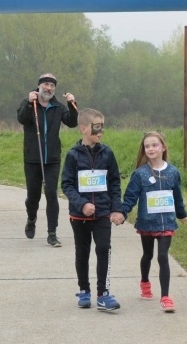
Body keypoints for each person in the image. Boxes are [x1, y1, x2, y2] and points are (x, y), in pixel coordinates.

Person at [61, 108, 125, 311]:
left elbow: (114, 182)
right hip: (79, 215)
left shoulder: (107, 153)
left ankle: (103, 294)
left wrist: (117, 209)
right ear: (83, 129)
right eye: (96, 127)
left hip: (103, 214)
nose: (100, 132)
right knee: (82, 252)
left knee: (103, 249)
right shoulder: (73, 155)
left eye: (102, 127)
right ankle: (84, 290)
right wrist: (82, 204)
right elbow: (67, 185)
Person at [120, 131, 187, 313]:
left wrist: (182, 214)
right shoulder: (140, 174)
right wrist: (122, 213)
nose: (150, 148)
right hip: (147, 223)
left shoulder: (173, 172)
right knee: (148, 255)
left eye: (154, 145)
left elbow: (177, 196)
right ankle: (144, 282)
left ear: (163, 147)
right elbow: (130, 197)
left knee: (163, 256)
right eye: (147, 146)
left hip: (167, 222)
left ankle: (165, 297)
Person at [16, 73, 78, 247]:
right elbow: (22, 118)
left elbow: (72, 122)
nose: (48, 88)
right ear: (39, 86)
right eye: (46, 85)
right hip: (32, 158)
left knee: (51, 193)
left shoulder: (58, 106)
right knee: (33, 196)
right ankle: (31, 218)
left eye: (52, 85)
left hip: (52, 158)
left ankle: (52, 234)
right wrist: (29, 103)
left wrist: (72, 105)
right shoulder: (29, 103)